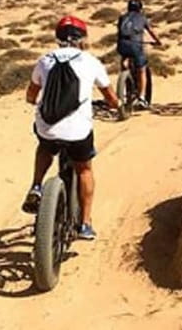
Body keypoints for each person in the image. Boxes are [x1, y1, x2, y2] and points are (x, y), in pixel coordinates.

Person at [21, 15, 119, 241]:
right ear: (82, 38)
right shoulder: (91, 62)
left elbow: (31, 94)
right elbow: (110, 97)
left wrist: (35, 102)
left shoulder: (45, 60)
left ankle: (36, 186)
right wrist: (116, 105)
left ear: (58, 38)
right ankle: (85, 224)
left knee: (45, 145)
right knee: (84, 169)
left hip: (47, 125)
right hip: (78, 131)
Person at [116, 0, 162, 109]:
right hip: (135, 45)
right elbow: (151, 31)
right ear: (140, 9)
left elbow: (119, 32)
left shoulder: (122, 18)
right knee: (141, 70)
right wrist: (158, 41)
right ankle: (141, 98)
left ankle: (124, 75)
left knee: (125, 58)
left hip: (122, 44)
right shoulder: (142, 18)